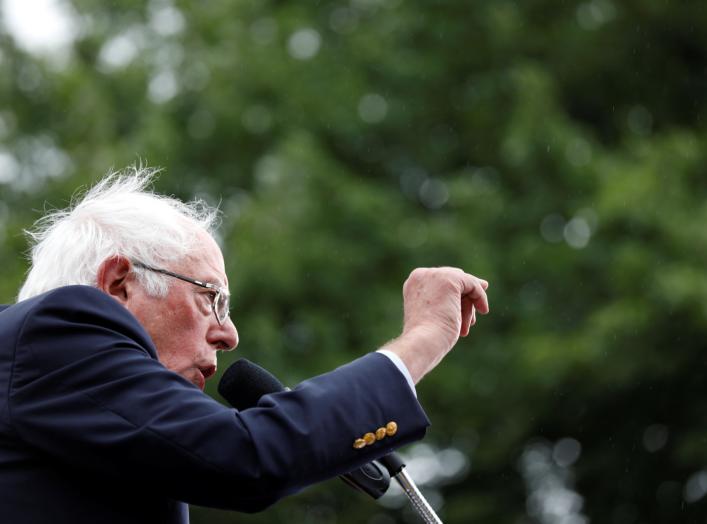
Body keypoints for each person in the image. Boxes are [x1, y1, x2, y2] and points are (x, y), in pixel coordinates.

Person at [0, 166, 489, 524]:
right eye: (211, 298)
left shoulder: (75, 403)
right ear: (119, 284)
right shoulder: (56, 331)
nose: (230, 334)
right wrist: (425, 336)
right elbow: (246, 456)